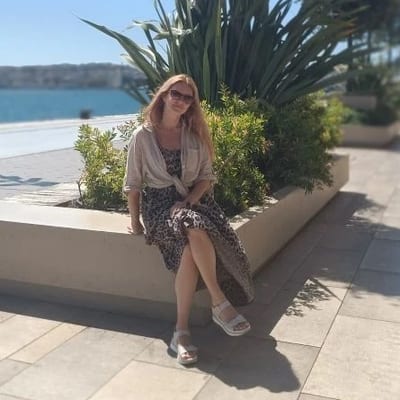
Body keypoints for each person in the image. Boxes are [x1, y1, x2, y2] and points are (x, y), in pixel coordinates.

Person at [123, 74, 254, 365]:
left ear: (192, 103)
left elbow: (206, 177)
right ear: (164, 95)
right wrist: (135, 221)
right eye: (176, 94)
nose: (181, 100)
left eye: (187, 97)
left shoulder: (194, 136)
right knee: (191, 224)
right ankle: (219, 302)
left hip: (194, 202)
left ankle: (181, 333)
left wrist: (188, 201)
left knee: (187, 248)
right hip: (159, 207)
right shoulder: (142, 136)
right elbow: (133, 183)